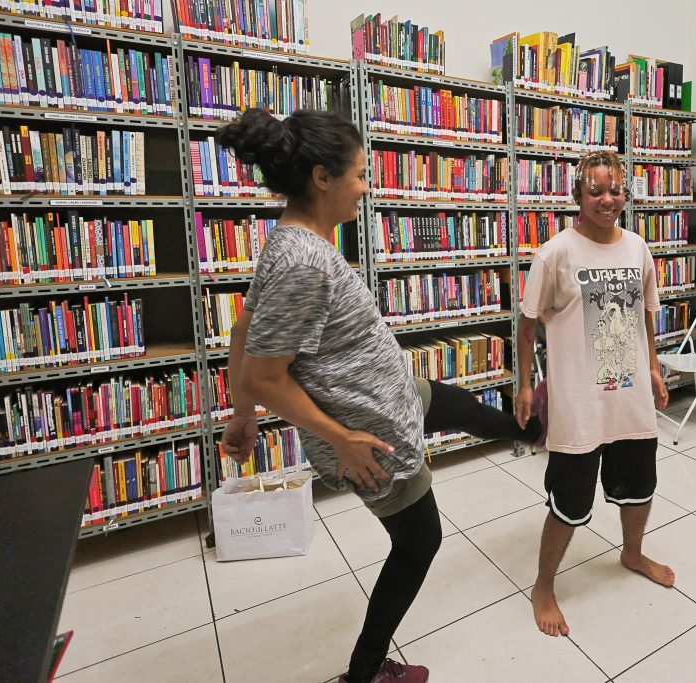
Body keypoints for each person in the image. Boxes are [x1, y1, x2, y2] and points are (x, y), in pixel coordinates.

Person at [216, 108, 541, 683]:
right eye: (361, 174)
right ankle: (365, 674)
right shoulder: (304, 262)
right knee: (421, 544)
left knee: (461, 406)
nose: (366, 188)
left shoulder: (291, 240)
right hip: (370, 434)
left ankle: (530, 431)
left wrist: (242, 419)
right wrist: (340, 439)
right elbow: (264, 375)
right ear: (322, 177)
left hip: (391, 395)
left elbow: (245, 330)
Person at [514, 150, 675, 639]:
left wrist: (652, 366)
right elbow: (525, 327)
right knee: (569, 501)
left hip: (629, 398)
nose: (608, 200)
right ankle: (544, 585)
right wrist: (523, 384)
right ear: (578, 196)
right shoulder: (555, 254)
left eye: (616, 189)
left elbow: (647, 311)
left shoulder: (638, 249)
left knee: (639, 485)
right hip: (578, 404)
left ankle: (631, 552)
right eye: (596, 191)